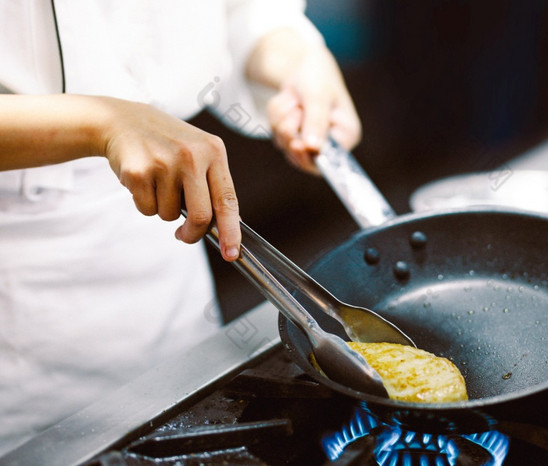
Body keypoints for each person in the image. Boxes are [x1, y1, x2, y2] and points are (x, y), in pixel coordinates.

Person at [0, 0, 361, 455]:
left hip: (169, 251)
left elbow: (235, 13)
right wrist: (103, 123)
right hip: (20, 306)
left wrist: (292, 55)